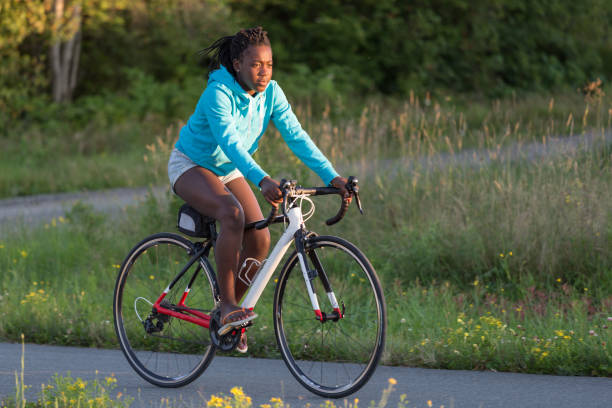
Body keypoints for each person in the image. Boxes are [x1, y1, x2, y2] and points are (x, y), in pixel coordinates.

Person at [167, 26, 351, 353]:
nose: (264, 72)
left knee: (261, 237)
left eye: (269, 64)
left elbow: (297, 136)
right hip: (191, 165)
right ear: (237, 64)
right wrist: (262, 179)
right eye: (256, 65)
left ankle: (230, 314)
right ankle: (226, 306)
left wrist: (332, 175)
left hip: (228, 170)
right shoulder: (217, 93)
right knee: (232, 214)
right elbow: (231, 143)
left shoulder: (272, 93)